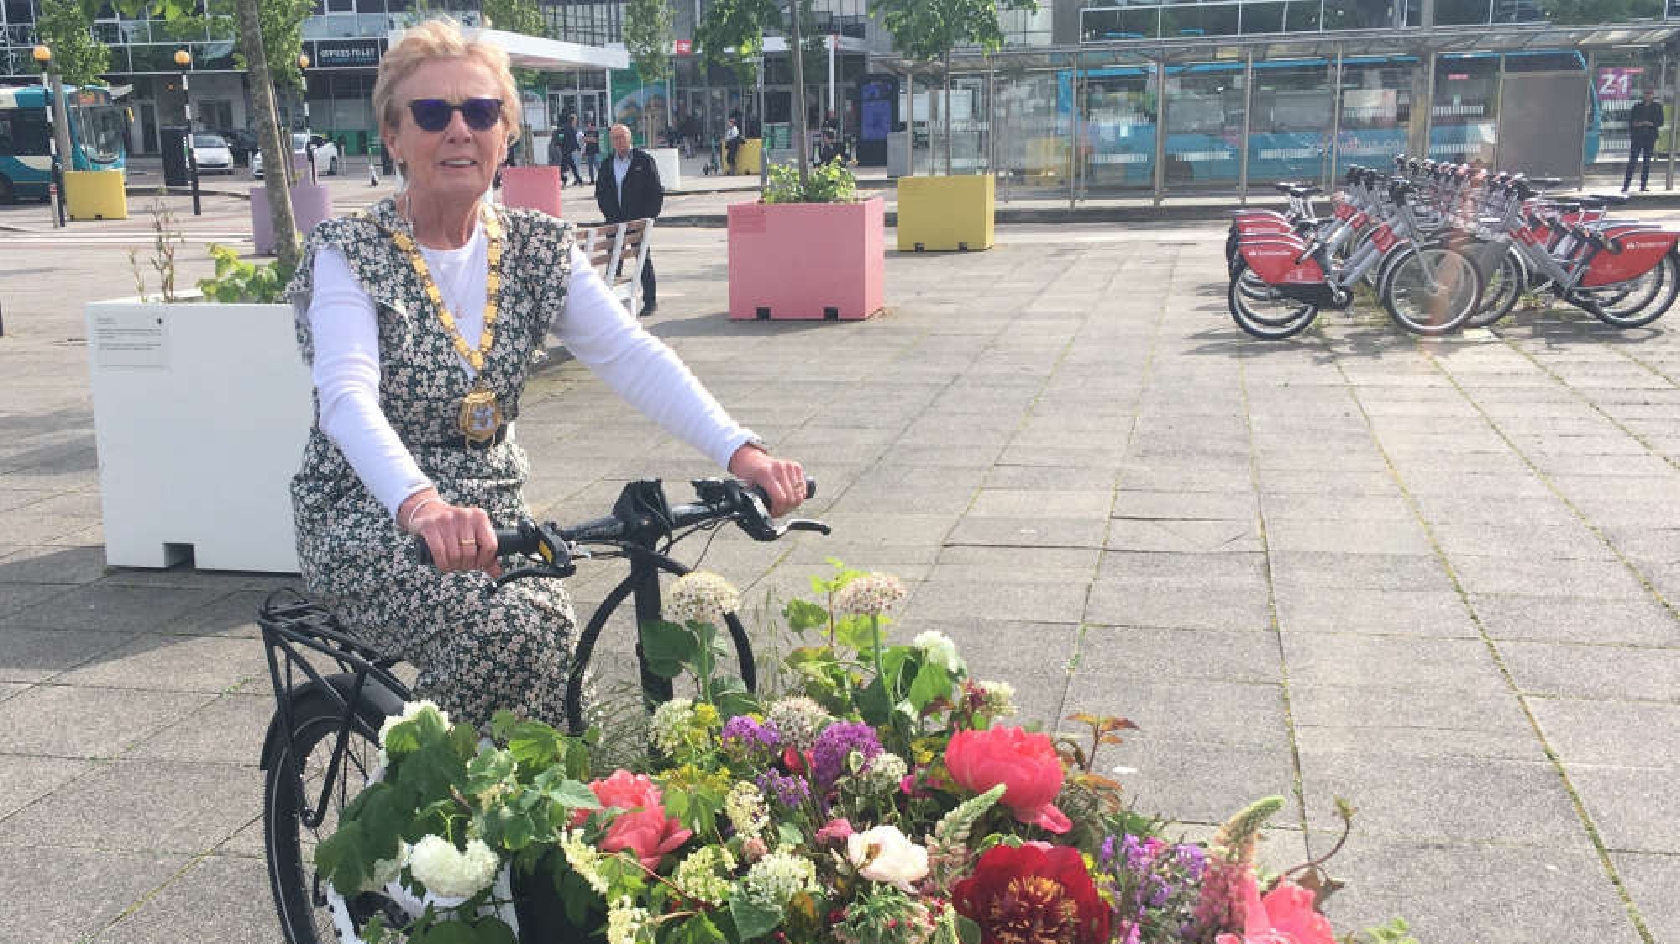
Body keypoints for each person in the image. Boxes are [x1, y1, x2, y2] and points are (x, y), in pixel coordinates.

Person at [285, 19, 805, 731]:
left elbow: (632, 355)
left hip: (495, 518)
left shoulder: (536, 247)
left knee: (555, 671)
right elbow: (346, 397)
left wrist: (741, 452)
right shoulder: (349, 253)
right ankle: (411, 825)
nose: (459, 130)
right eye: (433, 114)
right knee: (504, 639)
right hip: (368, 518)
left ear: (507, 133)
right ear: (393, 135)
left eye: (481, 111)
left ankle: (508, 825)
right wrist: (423, 506)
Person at [596, 123, 663, 317]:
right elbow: (601, 192)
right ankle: (612, 306)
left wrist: (648, 218)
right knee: (614, 262)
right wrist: (609, 215)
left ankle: (650, 301)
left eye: (621, 137)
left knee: (643, 260)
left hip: (638, 221)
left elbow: (656, 191)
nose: (618, 141)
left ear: (630, 138)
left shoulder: (643, 160)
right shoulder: (607, 163)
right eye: (615, 138)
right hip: (615, 222)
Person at [1625, 87, 1665, 193]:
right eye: (1646, 93)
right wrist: (1637, 124)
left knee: (1646, 162)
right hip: (1637, 138)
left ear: (1653, 95)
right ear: (1643, 94)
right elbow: (1631, 122)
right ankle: (1626, 185)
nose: (1648, 95)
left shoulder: (1657, 107)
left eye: (1650, 93)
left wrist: (1649, 123)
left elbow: (1660, 122)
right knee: (1632, 162)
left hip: (1649, 138)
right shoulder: (1637, 107)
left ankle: (1643, 186)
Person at [551, 112, 584, 186]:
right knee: (569, 167)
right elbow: (573, 141)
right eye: (575, 120)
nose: (576, 122)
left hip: (564, 150)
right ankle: (574, 180)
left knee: (568, 167)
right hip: (568, 151)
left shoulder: (563, 128)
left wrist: (560, 145)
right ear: (572, 120)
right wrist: (577, 148)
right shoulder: (572, 130)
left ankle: (575, 180)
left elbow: (561, 138)